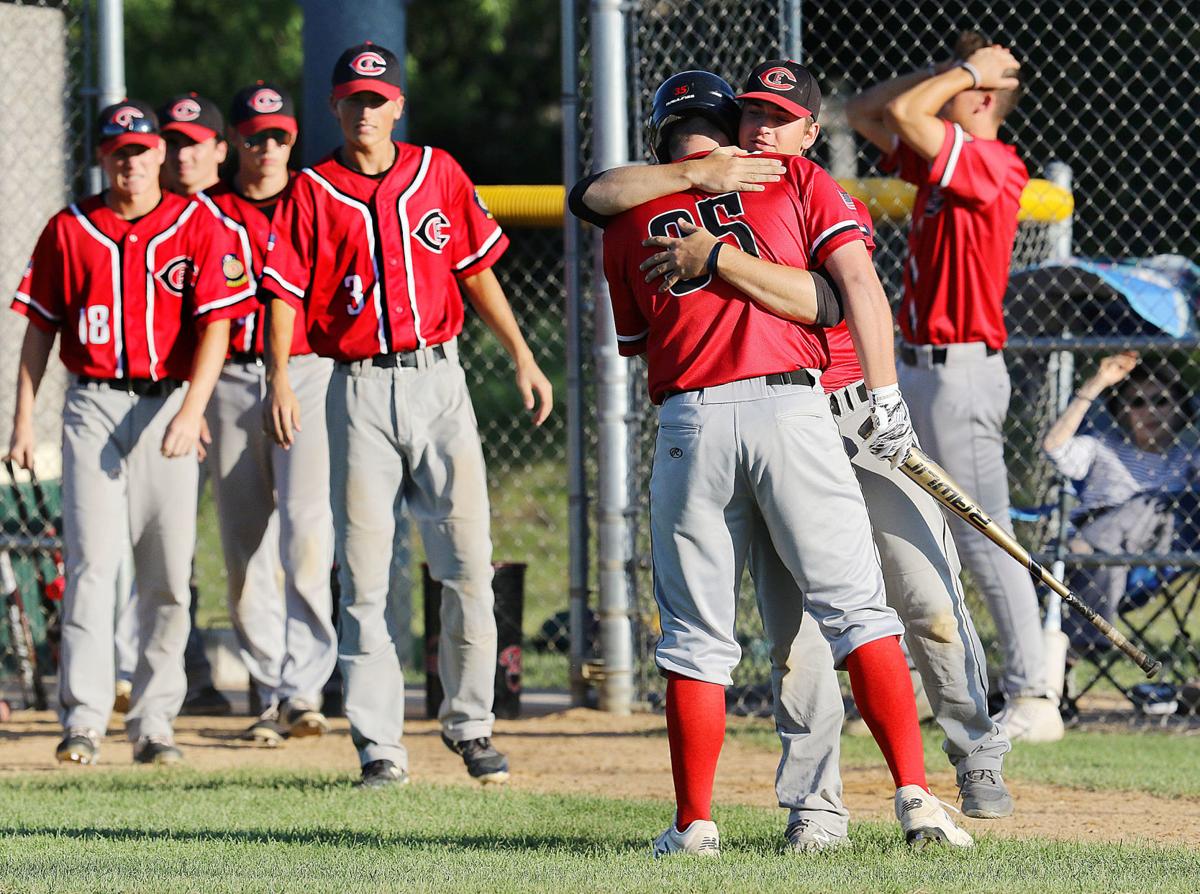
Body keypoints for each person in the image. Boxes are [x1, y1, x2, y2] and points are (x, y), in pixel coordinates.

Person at [576, 62, 1009, 847]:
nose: (763, 132)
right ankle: (890, 800)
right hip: (798, 406)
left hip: (708, 416)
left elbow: (628, 313)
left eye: (780, 118)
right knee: (848, 618)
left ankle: (696, 824)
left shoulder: (639, 215)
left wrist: (715, 258)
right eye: (752, 118)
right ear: (729, 124)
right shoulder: (785, 186)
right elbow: (833, 300)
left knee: (704, 639)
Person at [260, 42, 553, 788]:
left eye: (378, 96)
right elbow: (284, 293)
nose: (366, 109)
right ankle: (380, 745)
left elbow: (476, 269)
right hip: (354, 385)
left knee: (466, 566)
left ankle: (472, 724)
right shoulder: (311, 189)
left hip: (439, 380)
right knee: (363, 575)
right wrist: (280, 380)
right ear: (335, 105)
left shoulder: (439, 173)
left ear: (398, 104)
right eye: (353, 97)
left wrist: (521, 352)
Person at [5, 99, 256, 765]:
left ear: (158, 156)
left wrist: (192, 408)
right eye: (119, 150)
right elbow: (39, 327)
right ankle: (84, 719)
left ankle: (154, 723)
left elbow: (218, 327)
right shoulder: (71, 227)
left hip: (167, 404)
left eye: (141, 150)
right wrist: (23, 419)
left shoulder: (195, 224)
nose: (131, 161)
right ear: (101, 158)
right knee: (92, 565)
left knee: (168, 572)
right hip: (92, 404)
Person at [846, 33, 1063, 742]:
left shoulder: (994, 162)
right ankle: (912, 681)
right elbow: (865, 111)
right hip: (910, 368)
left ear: (986, 97)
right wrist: (951, 69)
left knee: (982, 530)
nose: (952, 87)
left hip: (963, 372)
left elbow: (908, 115)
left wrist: (968, 73)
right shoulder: (944, 164)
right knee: (901, 525)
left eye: (965, 82)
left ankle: (1035, 694)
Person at [199, 82, 337, 746]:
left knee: (308, 533)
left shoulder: (315, 197)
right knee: (244, 542)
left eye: (279, 135)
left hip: (305, 372)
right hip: (228, 378)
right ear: (235, 143)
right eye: (255, 136)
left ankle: (305, 690)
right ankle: (266, 689)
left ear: (293, 139)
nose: (268, 148)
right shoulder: (209, 211)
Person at [1043, 352, 1197, 652]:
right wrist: (1097, 383)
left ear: (1179, 409)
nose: (1150, 410)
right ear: (1122, 412)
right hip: (1108, 554)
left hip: (1150, 551)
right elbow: (1053, 447)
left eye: (1161, 400)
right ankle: (1077, 651)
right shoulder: (1102, 445)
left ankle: (1081, 551)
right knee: (1109, 560)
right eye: (1137, 403)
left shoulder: (1188, 457)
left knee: (1156, 501)